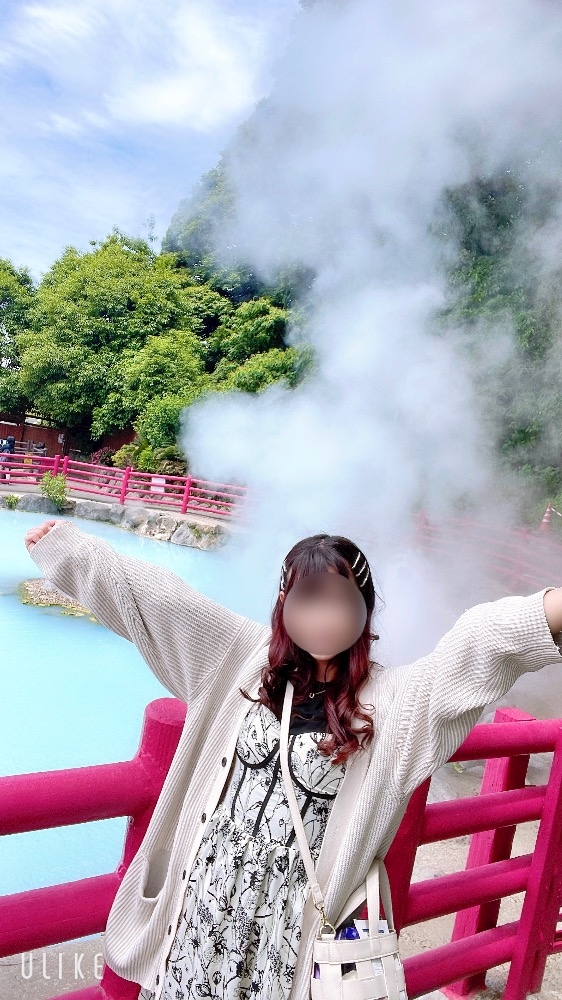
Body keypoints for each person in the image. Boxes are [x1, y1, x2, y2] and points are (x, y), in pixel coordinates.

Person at [23, 518, 562, 1000]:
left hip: (291, 930)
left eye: (341, 600)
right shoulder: (240, 658)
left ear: (364, 609)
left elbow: (480, 643)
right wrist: (73, 553)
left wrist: (551, 609)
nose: (325, 616)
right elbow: (165, 603)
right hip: (200, 906)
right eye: (310, 598)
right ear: (284, 602)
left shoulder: (399, 705)